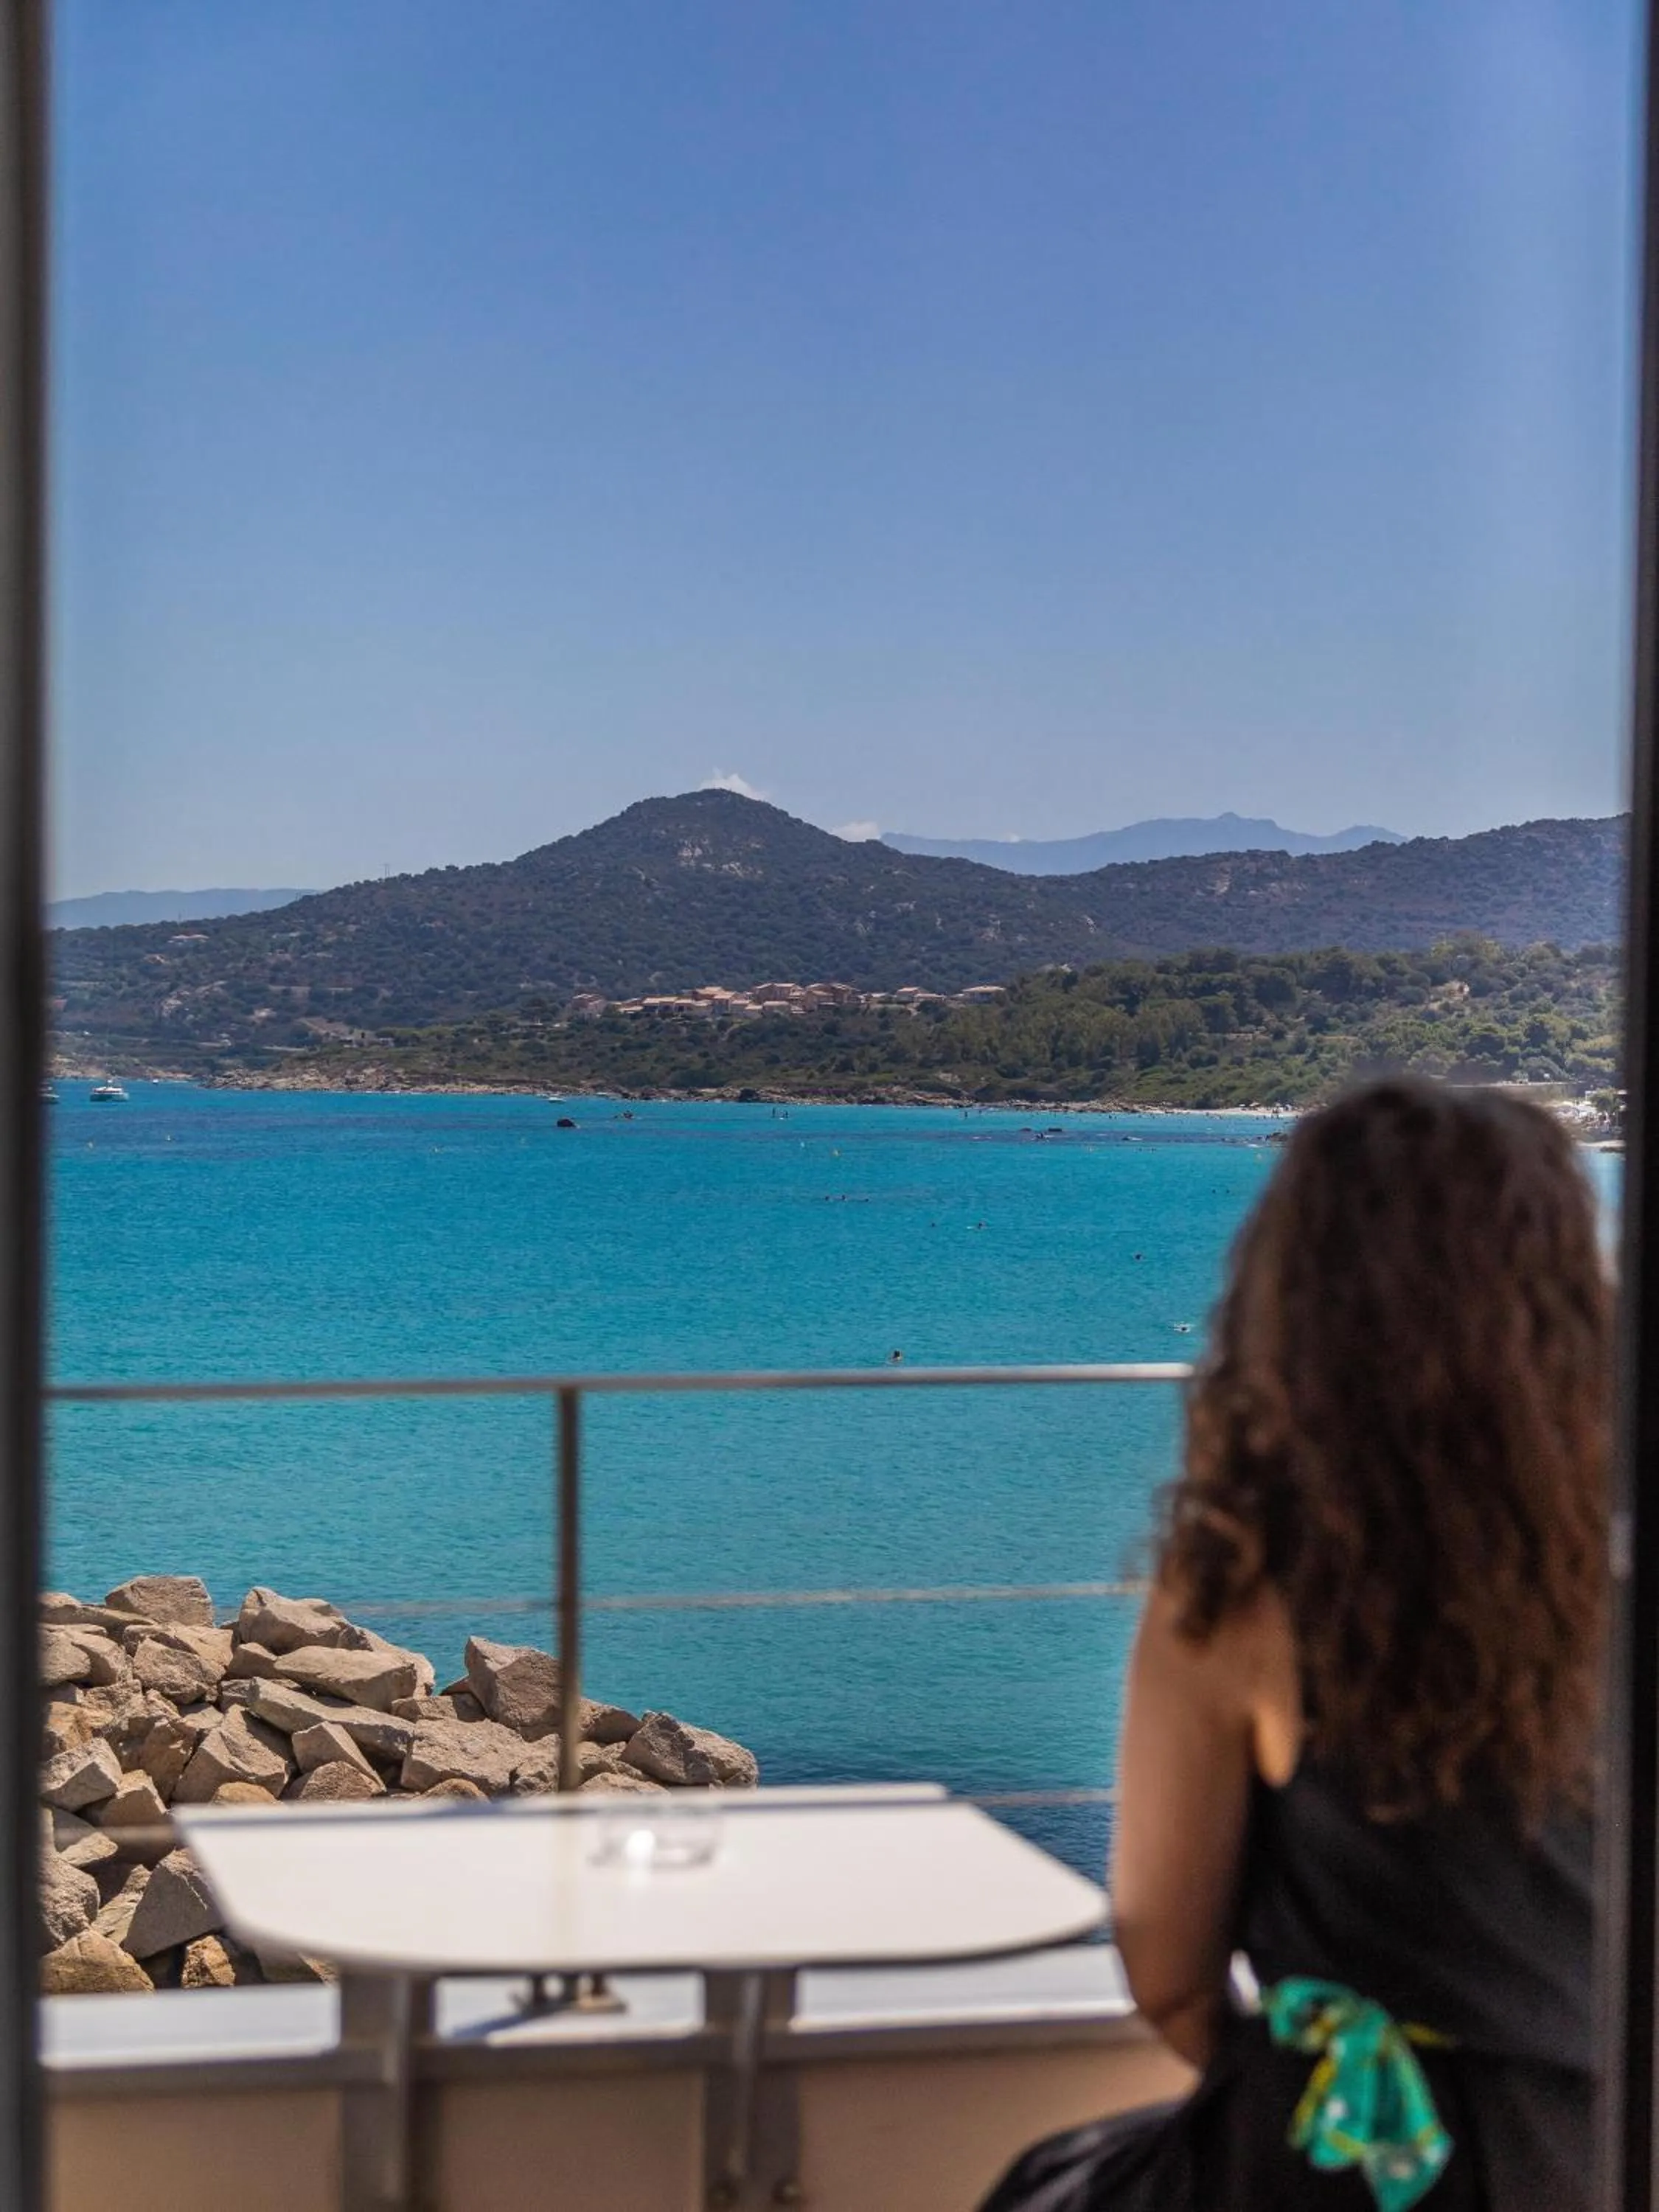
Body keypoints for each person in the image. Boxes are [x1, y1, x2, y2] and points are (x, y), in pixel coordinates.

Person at [983, 1079, 1608, 2211]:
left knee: (1039, 2187)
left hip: (1357, 2164)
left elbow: (1167, 1976)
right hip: (1609, 2145)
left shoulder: (1253, 1585)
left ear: (1298, 1297)